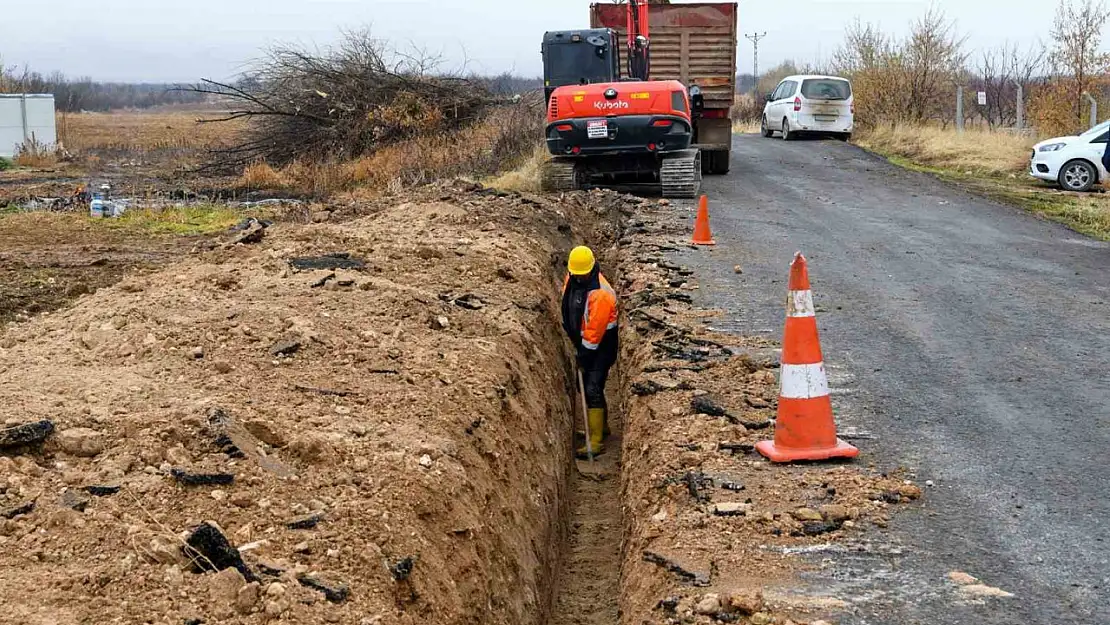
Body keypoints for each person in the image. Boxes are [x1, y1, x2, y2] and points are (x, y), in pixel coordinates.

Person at [561, 246, 619, 458]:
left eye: (580, 274)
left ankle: (596, 439)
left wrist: (583, 355)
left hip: (602, 345)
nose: (577, 277)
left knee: (592, 386)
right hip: (585, 341)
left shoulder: (601, 294)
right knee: (585, 384)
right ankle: (600, 427)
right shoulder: (574, 278)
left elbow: (594, 332)